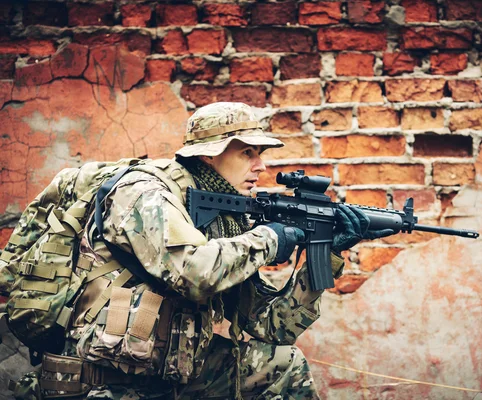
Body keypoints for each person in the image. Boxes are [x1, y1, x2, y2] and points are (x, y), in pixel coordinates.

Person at [12, 102, 393, 400]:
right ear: (210, 155)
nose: (261, 166)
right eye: (247, 153)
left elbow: (268, 326)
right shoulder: (144, 194)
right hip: (104, 381)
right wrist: (272, 238)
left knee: (281, 365)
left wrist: (324, 260)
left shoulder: (222, 215)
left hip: (167, 374)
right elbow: (194, 273)